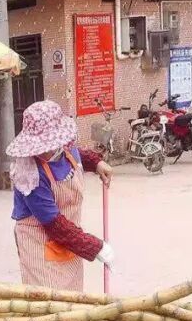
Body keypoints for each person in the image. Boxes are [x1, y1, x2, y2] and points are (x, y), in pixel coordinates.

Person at [8, 100, 115, 290]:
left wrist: (96, 163)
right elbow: (55, 225)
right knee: (48, 298)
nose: (44, 150)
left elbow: (77, 154)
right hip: (39, 241)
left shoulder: (64, 149)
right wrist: (94, 246)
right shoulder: (31, 175)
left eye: (48, 144)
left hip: (69, 238)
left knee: (72, 295)